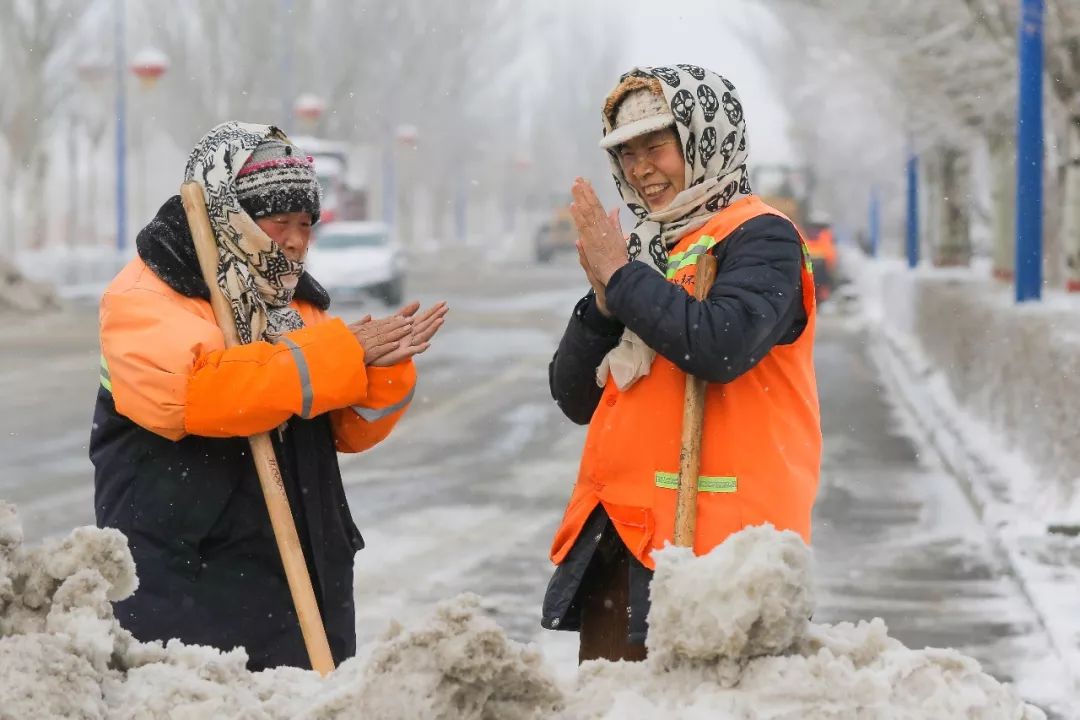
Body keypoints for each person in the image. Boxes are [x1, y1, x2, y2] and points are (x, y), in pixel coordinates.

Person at [90, 122, 448, 671]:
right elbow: (194, 398)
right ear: (228, 214)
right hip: (192, 574)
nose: (298, 241)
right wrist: (333, 356)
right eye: (281, 222)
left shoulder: (289, 302)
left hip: (301, 571)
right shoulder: (147, 293)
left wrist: (382, 367)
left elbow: (346, 428)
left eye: (307, 224)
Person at [541, 66, 821, 662]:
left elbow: (720, 346)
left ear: (703, 140)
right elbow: (573, 396)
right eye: (627, 153)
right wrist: (602, 301)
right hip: (624, 537)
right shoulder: (648, 251)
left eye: (657, 147)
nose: (641, 170)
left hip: (723, 553)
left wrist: (622, 277)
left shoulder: (763, 238)